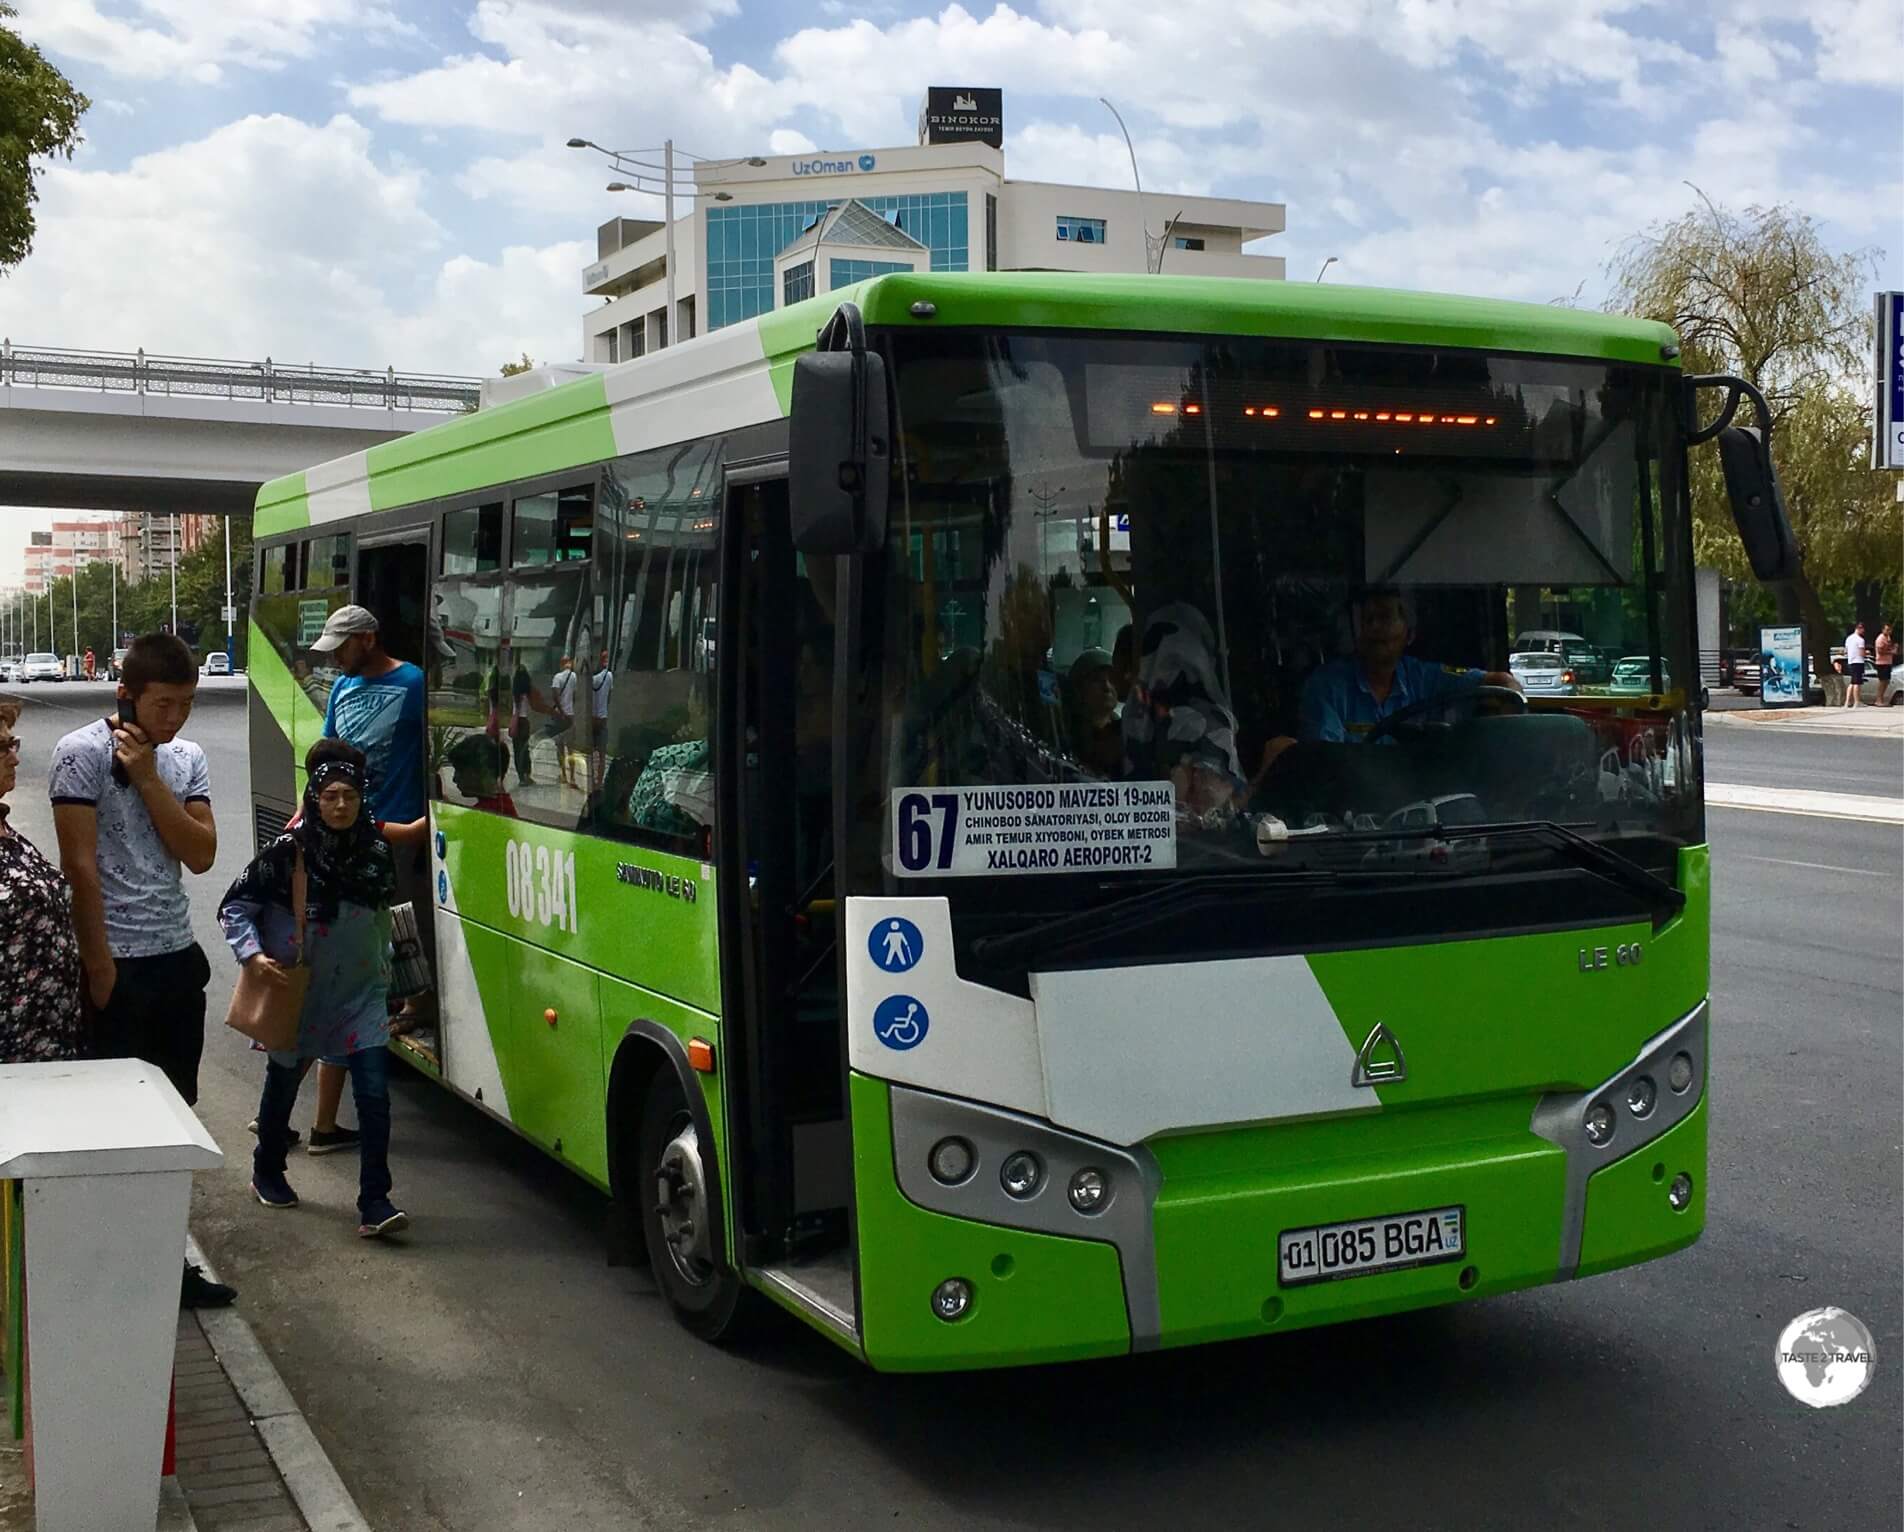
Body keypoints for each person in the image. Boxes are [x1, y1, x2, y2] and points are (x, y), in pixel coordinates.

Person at [49, 632, 233, 1308]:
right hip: (117, 964)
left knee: (172, 1116)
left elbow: (202, 853)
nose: (174, 719)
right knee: (110, 1128)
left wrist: (153, 778)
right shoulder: (79, 755)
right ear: (125, 692)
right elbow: (80, 866)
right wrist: (98, 966)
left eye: (184, 704)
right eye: (163, 704)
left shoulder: (185, 759)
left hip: (176, 960)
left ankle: (167, 1261)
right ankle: (108, 1264)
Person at [221, 740, 408, 1238]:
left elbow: (381, 913)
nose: (341, 805)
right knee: (282, 1085)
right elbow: (234, 906)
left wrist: (388, 968)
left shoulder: (375, 848)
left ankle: (374, 1200)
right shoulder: (289, 851)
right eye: (330, 796)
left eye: (349, 794)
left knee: (374, 1095)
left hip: (362, 996)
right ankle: (267, 1168)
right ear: (314, 798)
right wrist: (254, 956)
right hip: (299, 993)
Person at [308, 604, 428, 1153]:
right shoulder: (341, 690)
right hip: (351, 828)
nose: (334, 658)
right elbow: (327, 759)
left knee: (401, 922)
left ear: (368, 638)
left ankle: (411, 1007)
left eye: (341, 647)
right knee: (367, 940)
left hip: (396, 821)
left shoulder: (414, 682)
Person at [1300, 588, 1520, 744]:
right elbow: (1326, 759)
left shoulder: (1425, 677)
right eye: (1367, 619)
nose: (1374, 627)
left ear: (1410, 633)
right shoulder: (1327, 685)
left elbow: (1501, 683)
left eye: (1385, 617)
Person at [0, 701, 83, 1064]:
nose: (15, 758)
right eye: (2, 748)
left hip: (47, 1041)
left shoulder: (7, 831)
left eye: (12, 744)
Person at [1121, 603, 1248, 816]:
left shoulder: (1211, 722)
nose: (1166, 667)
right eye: (1160, 654)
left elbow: (1209, 809)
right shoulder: (1136, 715)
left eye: (1181, 657)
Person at [1065, 647, 1124, 777]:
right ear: (1079, 687)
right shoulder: (1066, 733)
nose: (1107, 687)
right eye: (1097, 680)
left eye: (1112, 680)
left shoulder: (1124, 732)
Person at [447, 733, 517, 817]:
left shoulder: (483, 815)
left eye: (460, 771)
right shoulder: (503, 806)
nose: (455, 779)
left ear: (485, 772)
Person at [544, 655, 579, 788]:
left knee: (559, 748)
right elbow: (574, 696)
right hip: (570, 715)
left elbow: (555, 695)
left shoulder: (557, 677)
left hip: (559, 716)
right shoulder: (574, 677)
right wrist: (569, 709)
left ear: (561, 663)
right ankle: (573, 778)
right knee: (571, 748)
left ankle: (563, 775)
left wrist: (561, 711)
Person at [588, 648, 614, 789]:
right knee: (602, 754)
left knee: (591, 753)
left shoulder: (591, 679)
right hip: (603, 718)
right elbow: (609, 697)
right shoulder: (609, 676)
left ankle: (592, 780)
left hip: (592, 720)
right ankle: (599, 782)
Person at [1842, 620, 1866, 708]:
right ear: (1859, 628)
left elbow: (1846, 651)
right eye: (1862, 629)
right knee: (1857, 683)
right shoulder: (1860, 640)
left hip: (1850, 661)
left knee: (1852, 682)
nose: (1863, 631)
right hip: (1858, 661)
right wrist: (1866, 653)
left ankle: (1847, 702)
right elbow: (1861, 653)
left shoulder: (1848, 638)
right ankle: (1857, 702)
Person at [1874, 623, 1896, 706]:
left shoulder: (1888, 638)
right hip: (1881, 662)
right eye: (1887, 629)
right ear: (1883, 630)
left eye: (1889, 630)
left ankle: (1881, 699)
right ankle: (1878, 700)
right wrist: (1891, 652)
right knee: (1882, 681)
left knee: (1886, 681)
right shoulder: (1880, 638)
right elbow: (1880, 651)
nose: (1889, 631)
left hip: (1888, 662)